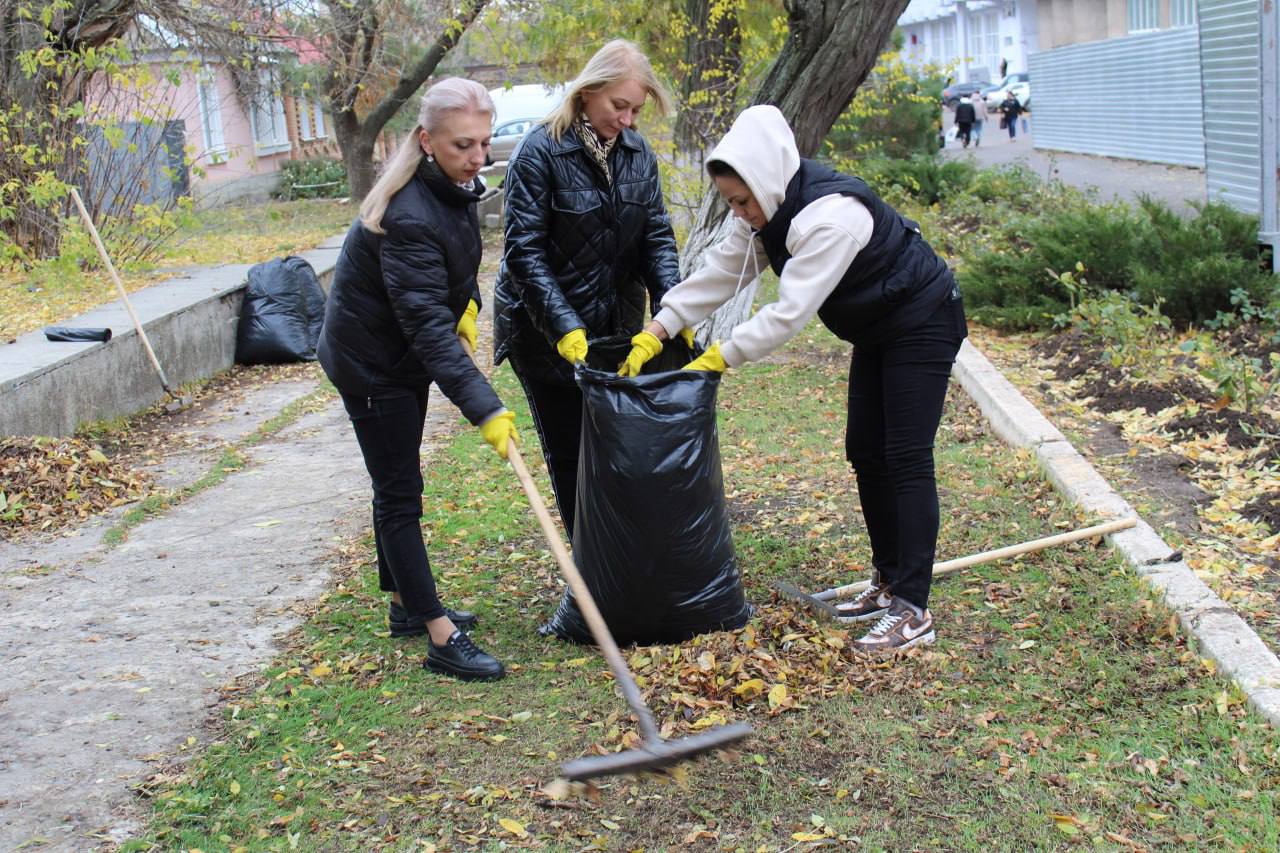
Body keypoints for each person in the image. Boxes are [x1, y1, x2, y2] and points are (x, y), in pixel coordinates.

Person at [623, 105, 968, 651]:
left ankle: (912, 608)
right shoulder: (770, 206)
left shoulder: (830, 218)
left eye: (742, 201)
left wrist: (719, 358)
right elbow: (719, 273)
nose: (740, 213)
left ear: (764, 179)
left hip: (923, 320)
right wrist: (661, 327)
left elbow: (789, 313)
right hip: (879, 327)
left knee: (904, 455)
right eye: (731, 202)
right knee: (865, 450)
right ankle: (887, 582)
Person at [318, 78, 518, 682]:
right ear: (427, 141)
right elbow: (429, 332)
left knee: (401, 482)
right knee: (399, 493)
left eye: (484, 143)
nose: (478, 158)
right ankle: (438, 635)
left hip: (398, 354)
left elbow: (458, 267)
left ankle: (406, 605)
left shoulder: (454, 189)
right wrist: (484, 407)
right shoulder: (407, 214)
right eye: (463, 145)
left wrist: (472, 305)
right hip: (372, 363)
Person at [493, 40, 682, 538]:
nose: (628, 119)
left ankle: (620, 559)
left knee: (621, 445)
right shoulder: (540, 152)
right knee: (573, 452)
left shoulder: (639, 156)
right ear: (586, 93)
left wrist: (674, 312)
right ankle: (592, 572)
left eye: (636, 109)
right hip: (543, 333)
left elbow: (656, 239)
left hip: (616, 329)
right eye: (619, 106)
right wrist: (565, 328)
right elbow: (523, 255)